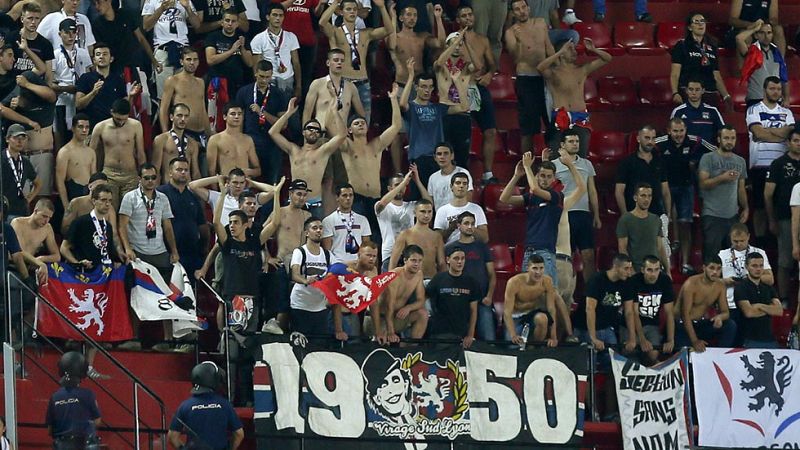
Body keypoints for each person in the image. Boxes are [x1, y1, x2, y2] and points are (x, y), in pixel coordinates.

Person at [213, 178, 283, 402]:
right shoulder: (228, 244)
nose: (231, 225)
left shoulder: (254, 243)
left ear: (245, 225)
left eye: (235, 222)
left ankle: (247, 397)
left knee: (249, 353)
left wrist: (277, 194)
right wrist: (223, 194)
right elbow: (215, 222)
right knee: (231, 354)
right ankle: (231, 397)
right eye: (230, 221)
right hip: (233, 300)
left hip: (253, 300)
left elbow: (275, 223)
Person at [59, 184, 121, 376]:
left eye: (109, 201)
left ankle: (90, 367)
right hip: (83, 279)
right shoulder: (82, 222)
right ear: (93, 200)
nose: (107, 204)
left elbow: (108, 252)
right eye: (103, 200)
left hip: (103, 280)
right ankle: (75, 366)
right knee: (83, 322)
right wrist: (77, 263)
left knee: (98, 322)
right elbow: (64, 248)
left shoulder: (107, 226)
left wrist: (118, 261)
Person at [118, 163, 180, 349]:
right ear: (140, 179)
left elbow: (167, 226)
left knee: (165, 296)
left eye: (153, 178)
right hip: (138, 254)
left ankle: (167, 340)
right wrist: (127, 248)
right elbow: (122, 225)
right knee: (136, 296)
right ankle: (134, 338)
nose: (151, 181)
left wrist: (174, 250)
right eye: (147, 178)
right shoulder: (130, 198)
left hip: (159, 252)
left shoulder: (163, 198)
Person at [338, 84, 402, 244]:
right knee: (359, 240)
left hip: (376, 199)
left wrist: (394, 99)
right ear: (349, 130)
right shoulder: (347, 146)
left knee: (379, 239)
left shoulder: (376, 145)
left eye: (363, 122)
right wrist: (334, 109)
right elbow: (335, 131)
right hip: (357, 199)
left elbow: (396, 127)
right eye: (356, 123)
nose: (361, 124)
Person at [385, 2, 444, 173]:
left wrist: (438, 19)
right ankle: (398, 172)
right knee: (398, 131)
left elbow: (441, 43)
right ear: (402, 17)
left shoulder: (422, 37)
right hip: (402, 86)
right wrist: (392, 18)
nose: (412, 18)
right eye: (408, 15)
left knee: (419, 131)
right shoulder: (395, 36)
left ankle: (419, 168)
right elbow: (391, 45)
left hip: (420, 87)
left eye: (415, 15)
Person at [269, 96, 346, 217]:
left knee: (315, 235)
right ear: (303, 132)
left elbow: (342, 135)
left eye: (317, 130)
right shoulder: (293, 150)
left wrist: (335, 111)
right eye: (310, 128)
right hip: (293, 202)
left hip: (314, 203)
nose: (314, 131)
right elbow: (273, 132)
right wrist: (288, 113)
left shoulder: (323, 152)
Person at [319, 0, 393, 123]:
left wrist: (381, 7)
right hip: (344, 81)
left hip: (363, 82)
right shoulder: (336, 32)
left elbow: (389, 30)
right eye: (348, 9)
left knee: (364, 122)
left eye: (354, 9)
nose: (352, 11)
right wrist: (335, 3)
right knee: (341, 122)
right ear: (342, 12)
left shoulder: (366, 34)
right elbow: (322, 23)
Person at [498, 152, 568, 280]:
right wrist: (516, 175)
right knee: (528, 295)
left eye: (548, 176)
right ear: (537, 176)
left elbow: (535, 189)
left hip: (545, 252)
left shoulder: (556, 196)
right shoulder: (530, 197)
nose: (545, 179)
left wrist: (527, 167)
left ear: (554, 179)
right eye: (542, 175)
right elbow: (504, 198)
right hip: (528, 251)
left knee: (547, 293)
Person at [654, 118, 710, 274]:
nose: (679, 134)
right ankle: (665, 263)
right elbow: (641, 149)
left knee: (685, 224)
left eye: (681, 131)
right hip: (665, 187)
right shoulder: (659, 143)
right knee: (663, 224)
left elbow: (714, 150)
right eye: (675, 131)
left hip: (686, 187)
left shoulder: (695, 141)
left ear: (686, 130)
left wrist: (698, 163)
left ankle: (685, 263)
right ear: (669, 131)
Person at [538, 38, 611, 157]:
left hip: (580, 118)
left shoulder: (582, 70)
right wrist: (559, 52)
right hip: (560, 118)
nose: (574, 52)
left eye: (574, 49)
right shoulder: (553, 73)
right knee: (556, 159)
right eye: (570, 49)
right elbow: (540, 68)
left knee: (580, 158)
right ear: (561, 52)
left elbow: (607, 58)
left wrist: (594, 49)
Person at [454, 5, 499, 184]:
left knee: (490, 131)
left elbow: (491, 64)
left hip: (479, 88)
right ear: (458, 20)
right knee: (462, 134)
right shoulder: (452, 40)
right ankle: (459, 172)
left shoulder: (483, 40)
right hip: (459, 89)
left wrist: (489, 74)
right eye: (463, 16)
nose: (468, 18)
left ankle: (488, 174)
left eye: (470, 14)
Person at [747, 76, 795, 238]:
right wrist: (780, 134)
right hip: (759, 165)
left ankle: (779, 241)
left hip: (781, 165)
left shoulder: (787, 112)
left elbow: (789, 134)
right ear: (764, 90)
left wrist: (766, 133)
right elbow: (758, 133)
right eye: (772, 89)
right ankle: (760, 242)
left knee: (782, 205)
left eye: (778, 89)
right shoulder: (754, 109)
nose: (776, 92)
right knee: (760, 206)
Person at [399, 68, 461, 195]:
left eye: (430, 87)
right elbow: (402, 104)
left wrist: (457, 82)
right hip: (418, 159)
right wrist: (410, 77)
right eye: (423, 86)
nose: (427, 90)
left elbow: (464, 107)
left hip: (438, 159)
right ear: (416, 87)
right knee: (419, 199)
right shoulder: (412, 107)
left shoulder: (438, 108)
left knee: (437, 197)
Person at [263, 178, 311, 331]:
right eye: (298, 194)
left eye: (304, 195)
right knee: (282, 304)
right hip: (283, 263)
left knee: (299, 305)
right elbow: (260, 236)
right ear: (290, 194)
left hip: (301, 265)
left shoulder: (308, 216)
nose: (301, 198)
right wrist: (268, 257)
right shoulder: (280, 213)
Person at [504, 0, 552, 154]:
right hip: (526, 80)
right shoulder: (511, 32)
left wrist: (556, 70)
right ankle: (527, 170)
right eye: (517, 9)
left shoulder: (541, 23)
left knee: (554, 124)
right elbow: (516, 58)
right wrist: (518, 41)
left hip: (546, 79)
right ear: (513, 13)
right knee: (528, 129)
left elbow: (549, 47)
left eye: (523, 7)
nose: (522, 11)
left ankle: (555, 167)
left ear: (529, 8)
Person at [552, 130, 600, 280]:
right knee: (567, 257)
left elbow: (592, 191)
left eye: (577, 141)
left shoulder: (587, 164)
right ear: (562, 145)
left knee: (588, 255)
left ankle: (590, 294)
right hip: (564, 215)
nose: (575, 144)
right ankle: (568, 295)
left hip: (584, 214)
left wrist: (596, 215)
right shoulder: (554, 165)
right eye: (571, 141)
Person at [168, 362, 244, 450]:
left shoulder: (185, 406)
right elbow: (239, 434)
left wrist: (183, 448)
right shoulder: (225, 405)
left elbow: (172, 436)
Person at [698, 126, 749, 258]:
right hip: (712, 215)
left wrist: (746, 208)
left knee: (733, 258)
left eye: (732, 138)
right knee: (711, 256)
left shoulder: (740, 161)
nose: (729, 141)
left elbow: (741, 188)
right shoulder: (708, 158)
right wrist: (722, 178)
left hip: (733, 216)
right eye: (726, 138)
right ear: (718, 139)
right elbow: (703, 184)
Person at [234, 60, 286, 184]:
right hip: (250, 141)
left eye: (268, 77)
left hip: (272, 143)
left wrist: (262, 113)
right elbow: (238, 120)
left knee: (272, 182)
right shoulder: (244, 92)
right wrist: (239, 140)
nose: (264, 80)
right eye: (261, 76)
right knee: (247, 180)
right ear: (255, 74)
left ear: (272, 75)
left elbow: (283, 124)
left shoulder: (278, 94)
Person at [157, 157, 209, 281]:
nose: (183, 173)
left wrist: (205, 248)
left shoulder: (193, 197)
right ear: (170, 172)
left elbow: (202, 224)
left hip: (192, 253)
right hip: (167, 253)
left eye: (186, 170)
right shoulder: (160, 194)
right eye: (179, 169)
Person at [446, 211, 496, 342]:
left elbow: (492, 274)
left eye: (473, 224)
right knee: (456, 340)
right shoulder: (451, 248)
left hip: (482, 300)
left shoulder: (482, 247)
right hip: (459, 300)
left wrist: (489, 296)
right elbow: (446, 275)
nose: (470, 226)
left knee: (489, 339)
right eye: (466, 223)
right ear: (458, 226)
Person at [764, 129, 800, 301]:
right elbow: (768, 194)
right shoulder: (778, 164)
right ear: (788, 143)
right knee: (785, 261)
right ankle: (784, 298)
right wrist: (772, 220)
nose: (799, 144)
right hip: (785, 218)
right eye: (796, 140)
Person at [90, 99, 146, 210]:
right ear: (112, 112)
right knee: (109, 209)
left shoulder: (136, 126)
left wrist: (143, 174)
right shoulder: (100, 127)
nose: (121, 122)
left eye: (124, 119)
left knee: (130, 211)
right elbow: (91, 154)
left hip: (130, 174)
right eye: (118, 119)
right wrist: (94, 177)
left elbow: (140, 152)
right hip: (110, 174)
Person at [367, 244, 429, 345]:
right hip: (379, 319)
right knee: (384, 339)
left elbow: (420, 300)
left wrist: (408, 307)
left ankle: (411, 351)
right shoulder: (394, 276)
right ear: (405, 260)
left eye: (420, 261)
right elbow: (388, 307)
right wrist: (391, 332)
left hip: (396, 318)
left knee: (422, 314)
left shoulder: (418, 275)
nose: (417, 264)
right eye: (413, 260)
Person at [9, 69, 57, 197]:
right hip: (21, 156)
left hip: (42, 155)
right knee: (20, 198)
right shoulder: (19, 103)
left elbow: (52, 95)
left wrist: (27, 84)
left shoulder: (46, 102)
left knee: (42, 198)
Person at [676, 255, 737, 352]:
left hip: (700, 324)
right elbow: (684, 315)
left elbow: (726, 312)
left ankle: (720, 356)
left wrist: (720, 317)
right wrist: (695, 341)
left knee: (730, 325)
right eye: (711, 268)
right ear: (704, 268)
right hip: (683, 325)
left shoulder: (720, 286)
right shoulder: (691, 283)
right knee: (687, 352)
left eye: (718, 269)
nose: (715, 272)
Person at [142, 0, 201, 98]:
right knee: (164, 97)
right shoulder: (151, 1)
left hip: (183, 50)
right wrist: (161, 9)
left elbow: (197, 25)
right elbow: (146, 26)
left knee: (184, 96)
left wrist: (188, 9)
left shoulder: (185, 1)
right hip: (162, 49)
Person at [670, 13, 731, 107]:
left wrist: (726, 95)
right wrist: (675, 93)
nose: (700, 24)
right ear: (690, 27)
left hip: (709, 93)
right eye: (696, 22)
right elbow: (675, 73)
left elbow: (716, 75)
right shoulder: (682, 46)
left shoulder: (712, 47)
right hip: (690, 93)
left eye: (702, 21)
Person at [433, 31, 474, 170]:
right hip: (445, 115)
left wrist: (467, 44)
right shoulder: (441, 67)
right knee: (444, 155)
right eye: (454, 44)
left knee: (462, 156)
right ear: (448, 45)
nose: (457, 47)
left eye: (459, 44)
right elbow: (439, 62)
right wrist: (455, 42)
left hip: (462, 114)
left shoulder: (466, 67)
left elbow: (479, 66)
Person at [159, 47, 213, 149]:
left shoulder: (201, 82)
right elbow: (163, 109)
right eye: (188, 59)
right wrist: (166, 135)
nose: (192, 63)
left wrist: (209, 133)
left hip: (202, 133)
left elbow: (203, 110)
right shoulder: (173, 80)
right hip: (183, 132)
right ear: (181, 61)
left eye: (195, 60)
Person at [50, 18, 92, 150]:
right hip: (62, 101)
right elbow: (51, 83)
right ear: (60, 34)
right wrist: (67, 88)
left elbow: (90, 74)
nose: (70, 36)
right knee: (61, 134)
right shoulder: (55, 55)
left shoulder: (83, 53)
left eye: (73, 33)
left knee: (81, 134)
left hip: (80, 99)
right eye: (67, 32)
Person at [375, 170, 429, 271]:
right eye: (397, 185)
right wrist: (403, 182)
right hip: (389, 255)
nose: (401, 188)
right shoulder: (383, 206)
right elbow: (381, 204)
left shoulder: (411, 206)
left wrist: (417, 180)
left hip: (410, 256)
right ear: (389, 188)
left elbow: (428, 203)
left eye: (404, 185)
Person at [45, 352, 101, 448]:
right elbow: (97, 421)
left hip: (62, 444)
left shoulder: (55, 397)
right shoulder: (88, 394)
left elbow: (50, 429)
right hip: (85, 443)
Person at [427, 246, 480, 348]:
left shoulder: (471, 282)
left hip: (462, 334)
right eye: (456, 258)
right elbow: (424, 299)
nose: (460, 262)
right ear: (448, 260)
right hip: (440, 333)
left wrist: (470, 334)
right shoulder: (438, 279)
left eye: (463, 258)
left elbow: (474, 310)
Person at [628, 255, 675, 364]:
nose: (653, 274)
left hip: (652, 324)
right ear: (643, 270)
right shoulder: (634, 281)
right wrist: (642, 339)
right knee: (630, 353)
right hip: (630, 324)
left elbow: (669, 313)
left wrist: (670, 339)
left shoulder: (665, 281)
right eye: (649, 270)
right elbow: (633, 313)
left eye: (656, 270)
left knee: (653, 355)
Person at [504, 254, 559, 347]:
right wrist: (513, 335)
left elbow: (551, 309)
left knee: (543, 318)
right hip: (515, 317)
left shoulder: (547, 281)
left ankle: (534, 348)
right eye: (535, 268)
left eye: (541, 268)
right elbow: (507, 312)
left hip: (532, 314)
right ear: (527, 268)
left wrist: (553, 336)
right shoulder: (514, 282)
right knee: (513, 347)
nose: (538, 272)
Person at [91, 0, 159, 74]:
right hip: (114, 70)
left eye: (99, 3)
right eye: (94, 4)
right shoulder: (97, 25)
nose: (97, 7)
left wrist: (154, 61)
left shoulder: (125, 15)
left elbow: (141, 39)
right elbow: (100, 50)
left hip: (134, 64)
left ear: (109, 1)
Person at [289, 217, 332, 335]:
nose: (319, 231)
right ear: (307, 233)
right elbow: (294, 275)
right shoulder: (300, 252)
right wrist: (305, 281)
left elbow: (336, 272)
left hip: (320, 306)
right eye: (315, 228)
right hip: (301, 304)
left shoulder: (327, 254)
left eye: (321, 228)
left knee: (318, 345)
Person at [75, 43, 133, 127]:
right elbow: (78, 105)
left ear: (111, 59)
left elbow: (124, 109)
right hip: (91, 127)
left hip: (113, 127)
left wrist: (131, 96)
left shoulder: (118, 80)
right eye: (98, 54)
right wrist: (93, 93)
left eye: (105, 54)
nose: (101, 56)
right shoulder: (85, 78)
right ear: (94, 60)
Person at [733, 252, 783, 348]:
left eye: (761, 266)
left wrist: (759, 306)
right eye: (754, 266)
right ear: (747, 267)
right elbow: (749, 312)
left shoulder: (768, 288)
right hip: (749, 338)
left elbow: (779, 311)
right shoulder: (741, 287)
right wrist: (769, 310)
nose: (758, 269)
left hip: (770, 339)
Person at [330, 241, 379, 340]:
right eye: (368, 255)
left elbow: (373, 301)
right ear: (359, 254)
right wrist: (338, 330)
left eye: (374, 256)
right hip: (335, 314)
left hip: (354, 314)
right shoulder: (345, 269)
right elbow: (335, 301)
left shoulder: (373, 271)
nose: (371, 259)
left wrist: (378, 332)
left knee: (355, 346)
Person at [251, 4, 300, 100]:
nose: (278, 18)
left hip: (287, 79)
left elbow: (296, 63)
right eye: (275, 15)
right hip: (269, 80)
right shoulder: (259, 39)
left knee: (288, 112)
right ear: (268, 17)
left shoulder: (291, 36)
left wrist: (298, 86)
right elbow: (256, 66)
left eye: (281, 15)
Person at [617, 183, 670, 272]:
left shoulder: (656, 219)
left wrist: (668, 270)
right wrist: (631, 270)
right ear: (635, 197)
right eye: (643, 196)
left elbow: (660, 247)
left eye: (649, 196)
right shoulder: (626, 220)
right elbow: (622, 248)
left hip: (654, 270)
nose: (646, 199)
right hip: (636, 270)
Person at [389, 199, 444, 279]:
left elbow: (441, 263)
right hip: (411, 281)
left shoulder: (437, 236)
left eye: (429, 212)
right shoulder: (405, 235)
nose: (426, 215)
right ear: (414, 213)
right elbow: (393, 261)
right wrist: (391, 280)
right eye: (423, 211)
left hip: (432, 280)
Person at [204, 8, 253, 98]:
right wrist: (231, 50)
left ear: (237, 24)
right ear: (222, 22)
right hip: (217, 81)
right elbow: (210, 60)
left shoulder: (242, 37)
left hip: (237, 82)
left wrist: (242, 48)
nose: (230, 24)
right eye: (227, 20)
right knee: (215, 112)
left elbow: (250, 63)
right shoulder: (213, 37)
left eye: (233, 21)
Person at [736, 20, 788, 105]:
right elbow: (739, 38)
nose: (766, 36)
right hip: (755, 99)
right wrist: (754, 28)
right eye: (762, 33)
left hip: (775, 100)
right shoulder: (751, 51)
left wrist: (786, 98)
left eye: (769, 33)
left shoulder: (777, 52)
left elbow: (783, 77)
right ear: (756, 35)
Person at [206, 102, 261, 178]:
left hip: (245, 185)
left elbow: (258, 170)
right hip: (226, 186)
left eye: (239, 114)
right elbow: (211, 171)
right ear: (225, 117)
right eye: (233, 114)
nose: (236, 117)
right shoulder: (215, 140)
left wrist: (247, 172)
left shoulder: (248, 140)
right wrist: (217, 189)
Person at [322, 183, 371, 263]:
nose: (348, 198)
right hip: (338, 263)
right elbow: (327, 250)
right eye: (344, 195)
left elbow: (366, 246)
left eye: (351, 195)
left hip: (358, 263)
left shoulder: (362, 220)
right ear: (337, 198)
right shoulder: (328, 221)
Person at [152, 103, 202, 182]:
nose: (183, 119)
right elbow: (156, 169)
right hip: (168, 187)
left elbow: (195, 172)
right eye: (179, 115)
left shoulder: (193, 143)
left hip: (186, 188)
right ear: (171, 117)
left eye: (186, 116)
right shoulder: (161, 139)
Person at [55, 113, 95, 210]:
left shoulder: (91, 152)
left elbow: (94, 178)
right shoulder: (65, 152)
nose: (84, 130)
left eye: (87, 127)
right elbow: (60, 180)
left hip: (88, 194)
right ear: (73, 128)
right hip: (72, 192)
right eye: (80, 127)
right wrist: (66, 205)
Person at [670, 78, 726, 146]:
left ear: (703, 91)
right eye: (691, 89)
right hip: (686, 153)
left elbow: (723, 133)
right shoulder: (678, 111)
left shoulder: (713, 111)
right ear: (686, 90)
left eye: (697, 90)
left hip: (708, 153)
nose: (694, 93)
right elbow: (671, 135)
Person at [2, 124, 40, 218]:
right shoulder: (1, 159)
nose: (20, 141)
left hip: (20, 209)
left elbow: (38, 183)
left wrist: (28, 199)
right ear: (7, 139)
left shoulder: (25, 162)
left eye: (23, 138)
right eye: (16, 138)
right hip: (4, 210)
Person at [10, 198, 59, 264]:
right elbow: (20, 252)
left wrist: (42, 258)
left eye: (49, 218)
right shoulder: (18, 223)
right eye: (44, 216)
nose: (46, 221)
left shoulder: (47, 228)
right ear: (35, 211)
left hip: (30, 264)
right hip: (13, 264)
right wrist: (38, 263)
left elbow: (57, 256)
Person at [9, 3, 53, 77]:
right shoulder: (11, 38)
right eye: (30, 18)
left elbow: (48, 75)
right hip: (13, 83)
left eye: (37, 18)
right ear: (22, 19)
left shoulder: (46, 44)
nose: (33, 22)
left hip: (35, 85)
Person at [427, 142, 473, 211]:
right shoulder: (432, 178)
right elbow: (430, 203)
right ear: (435, 158)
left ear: (452, 156)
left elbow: (469, 197)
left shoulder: (463, 172)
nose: (442, 157)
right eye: (439, 154)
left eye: (446, 153)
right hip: (441, 218)